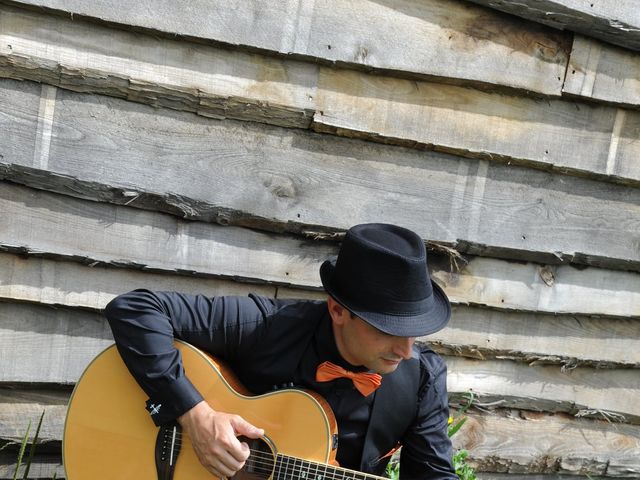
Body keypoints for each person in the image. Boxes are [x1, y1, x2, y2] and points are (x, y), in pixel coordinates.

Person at [105, 223, 458, 479]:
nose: (406, 350)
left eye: (414, 333)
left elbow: (433, 475)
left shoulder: (421, 379)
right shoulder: (268, 326)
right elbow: (136, 310)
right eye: (389, 330)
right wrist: (196, 418)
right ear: (338, 311)